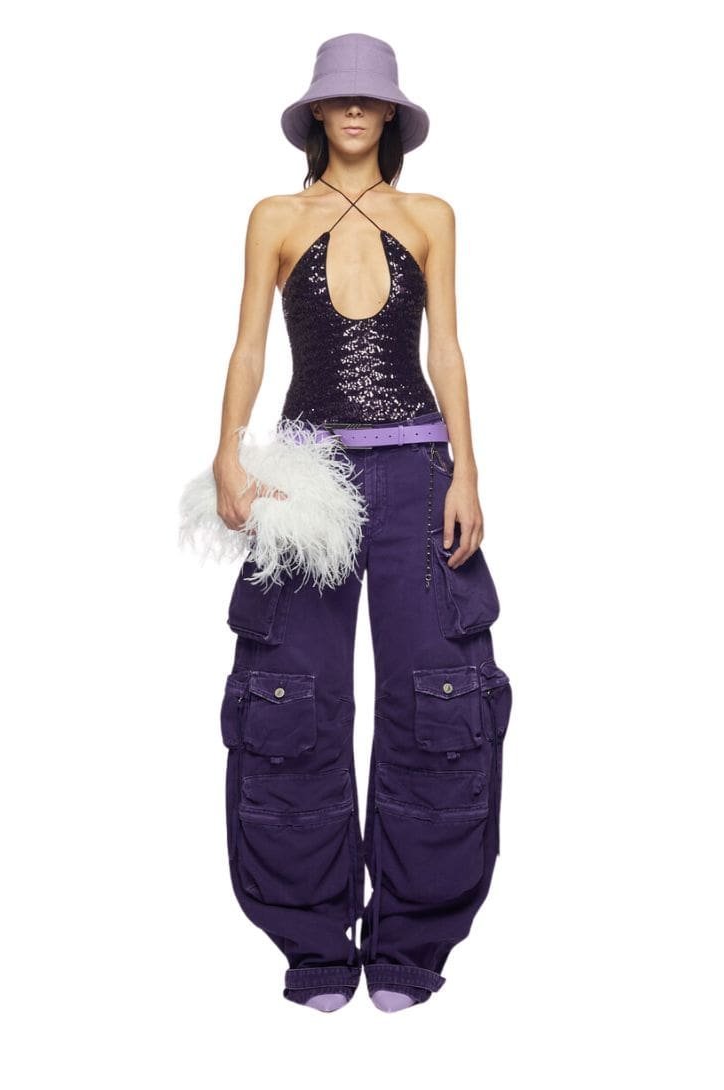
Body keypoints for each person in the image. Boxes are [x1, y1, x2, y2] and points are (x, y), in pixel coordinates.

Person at [211, 33, 513, 1012]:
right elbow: (249, 346)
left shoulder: (429, 216)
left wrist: (467, 470)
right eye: (337, 98)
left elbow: (448, 349)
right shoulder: (274, 216)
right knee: (290, 693)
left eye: (368, 98)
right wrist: (228, 451)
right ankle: (311, 940)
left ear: (389, 115)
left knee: (438, 688)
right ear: (317, 113)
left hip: (418, 470)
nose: (352, 111)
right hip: (309, 480)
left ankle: (413, 940)